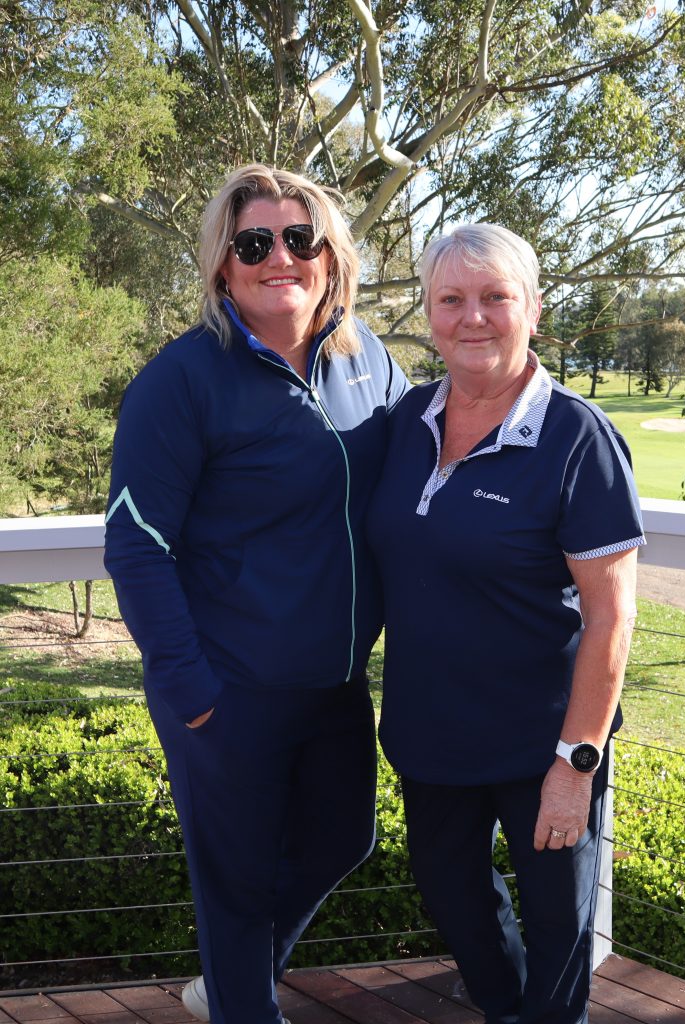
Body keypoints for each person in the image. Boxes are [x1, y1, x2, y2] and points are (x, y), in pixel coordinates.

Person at [104, 164, 408, 1024]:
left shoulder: (367, 358)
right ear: (223, 265)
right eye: (254, 244)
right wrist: (191, 689)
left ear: (330, 255)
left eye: (300, 238)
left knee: (345, 839)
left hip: (333, 679)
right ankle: (243, 999)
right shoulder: (183, 380)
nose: (281, 257)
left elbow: (426, 461)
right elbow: (136, 543)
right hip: (226, 686)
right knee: (235, 885)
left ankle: (231, 985)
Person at [367, 224, 644, 1024]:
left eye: (496, 297)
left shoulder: (576, 437)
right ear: (429, 313)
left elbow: (612, 615)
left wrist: (576, 763)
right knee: (453, 897)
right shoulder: (407, 421)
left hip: (542, 745)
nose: (473, 317)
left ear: (534, 309)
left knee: (558, 933)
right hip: (431, 737)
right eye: (451, 299)